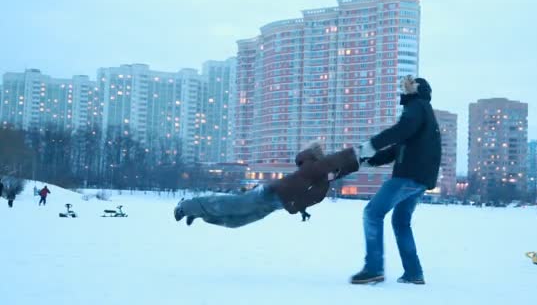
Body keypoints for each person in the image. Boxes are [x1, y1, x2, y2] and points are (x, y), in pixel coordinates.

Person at [350, 76, 441, 285]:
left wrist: (371, 144)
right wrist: (368, 159)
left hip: (409, 176)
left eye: (408, 86)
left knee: (372, 213)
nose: (404, 88)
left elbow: (400, 131)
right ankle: (413, 272)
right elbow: (397, 148)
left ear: (416, 90)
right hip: (419, 179)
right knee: (400, 222)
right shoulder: (423, 113)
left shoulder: (417, 107)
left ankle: (373, 268)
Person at [174, 142, 359, 228]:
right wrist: (355, 157)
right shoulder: (313, 167)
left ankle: (197, 211)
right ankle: (186, 206)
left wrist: (300, 208)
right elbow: (334, 163)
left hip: (275, 203)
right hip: (269, 194)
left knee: (235, 222)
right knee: (231, 205)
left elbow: (315, 194)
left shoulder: (321, 177)